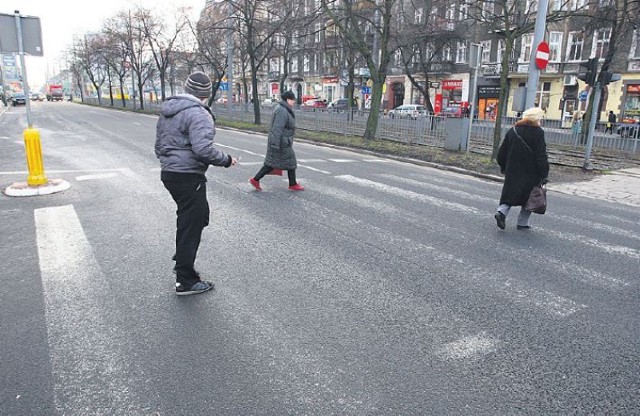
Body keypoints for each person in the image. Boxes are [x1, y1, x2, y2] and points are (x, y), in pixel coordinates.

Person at [155, 71, 238, 295]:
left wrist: (169, 163)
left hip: (171, 174)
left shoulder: (168, 111)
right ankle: (186, 280)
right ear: (206, 93)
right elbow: (202, 150)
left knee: (197, 216)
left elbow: (158, 145)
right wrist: (227, 160)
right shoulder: (199, 114)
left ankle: (182, 255)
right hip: (188, 175)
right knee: (191, 223)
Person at [494, 107, 549, 231]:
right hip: (532, 173)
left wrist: (504, 167)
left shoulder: (513, 130)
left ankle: (501, 213)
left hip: (513, 171)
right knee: (528, 197)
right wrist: (544, 173)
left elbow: (501, 153)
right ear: (537, 119)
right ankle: (522, 223)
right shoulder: (538, 133)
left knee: (509, 194)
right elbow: (541, 156)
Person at [249, 90, 304, 191]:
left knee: (275, 163)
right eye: (293, 100)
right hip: (281, 142)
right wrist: (275, 144)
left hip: (283, 141)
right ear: (288, 100)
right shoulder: (282, 110)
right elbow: (277, 128)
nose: (294, 102)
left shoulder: (284, 109)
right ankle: (292, 184)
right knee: (279, 163)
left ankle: (292, 183)